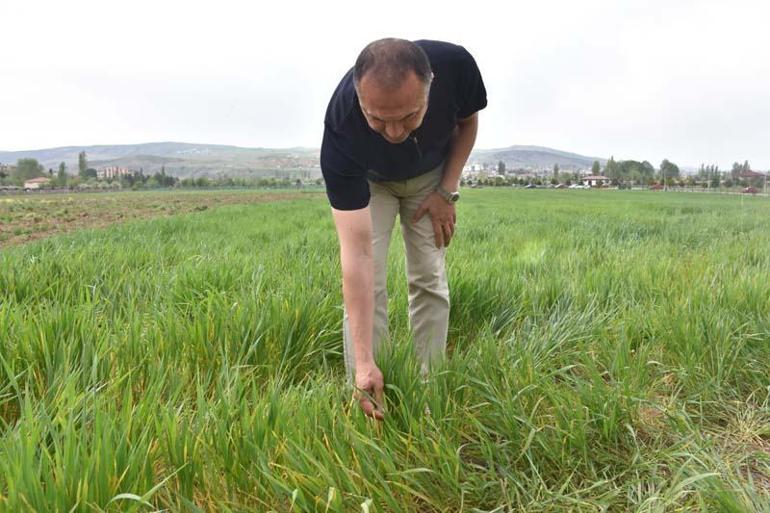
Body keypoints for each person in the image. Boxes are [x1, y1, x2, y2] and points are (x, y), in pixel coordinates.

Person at [320, 38, 487, 420]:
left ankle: (431, 391)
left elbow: (468, 121)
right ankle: (367, 389)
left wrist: (447, 190)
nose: (393, 132)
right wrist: (363, 362)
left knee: (428, 275)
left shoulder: (456, 65)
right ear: (359, 96)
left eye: (408, 116)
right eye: (377, 119)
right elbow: (356, 257)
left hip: (430, 177)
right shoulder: (341, 127)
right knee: (370, 278)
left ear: (432, 84)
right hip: (371, 183)